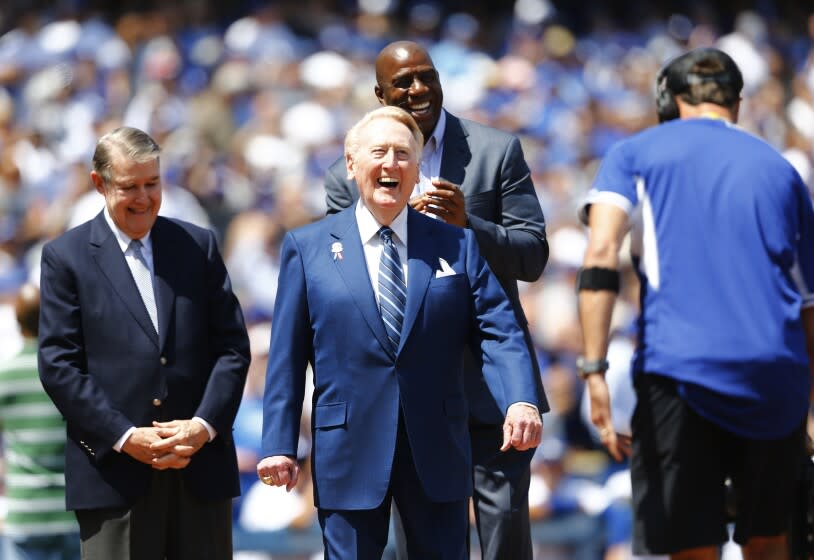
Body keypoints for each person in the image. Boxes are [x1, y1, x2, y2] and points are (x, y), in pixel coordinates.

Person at [258, 106, 543, 559]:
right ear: (351, 166)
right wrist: (279, 443)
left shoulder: (458, 243)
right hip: (347, 447)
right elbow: (288, 355)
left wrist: (520, 399)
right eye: (379, 152)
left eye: (403, 154)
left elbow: (499, 329)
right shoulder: (307, 247)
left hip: (438, 447)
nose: (391, 163)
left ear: (417, 170)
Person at [577, 47, 814, 559]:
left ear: (668, 98)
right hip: (776, 375)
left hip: (681, 369)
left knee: (692, 546)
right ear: (736, 101)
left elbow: (599, 254)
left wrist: (594, 367)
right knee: (770, 541)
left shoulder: (634, 153)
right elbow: (810, 301)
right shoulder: (781, 169)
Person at [324, 40, 549, 560]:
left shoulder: (495, 151)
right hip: (408, 389)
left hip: (491, 382)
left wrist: (469, 224)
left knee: (504, 541)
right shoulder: (348, 174)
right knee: (425, 545)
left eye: (427, 76)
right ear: (380, 94)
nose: (418, 89)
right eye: (403, 83)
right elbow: (353, 277)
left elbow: (533, 257)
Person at [38, 126, 251, 560]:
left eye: (152, 184)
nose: (143, 198)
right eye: (129, 187)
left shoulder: (198, 245)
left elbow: (232, 348)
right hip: (116, 478)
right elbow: (59, 365)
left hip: (199, 471)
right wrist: (124, 436)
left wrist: (203, 427)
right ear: (100, 184)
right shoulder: (67, 258)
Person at [0, 284, 80, 560]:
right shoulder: (70, 373)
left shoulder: (5, 375)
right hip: (73, 510)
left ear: (18, 323)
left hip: (25, 512)